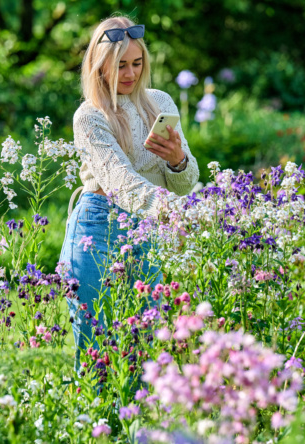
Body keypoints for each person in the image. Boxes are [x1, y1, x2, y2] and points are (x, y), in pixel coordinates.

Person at [60, 16, 199, 366]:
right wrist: (176, 214)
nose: (131, 74)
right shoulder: (89, 117)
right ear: (99, 66)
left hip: (145, 232)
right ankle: (97, 422)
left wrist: (178, 160)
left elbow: (185, 184)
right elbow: (120, 182)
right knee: (97, 353)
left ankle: (138, 422)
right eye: (120, 65)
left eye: (137, 63)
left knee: (142, 348)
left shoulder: (160, 102)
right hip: (97, 231)